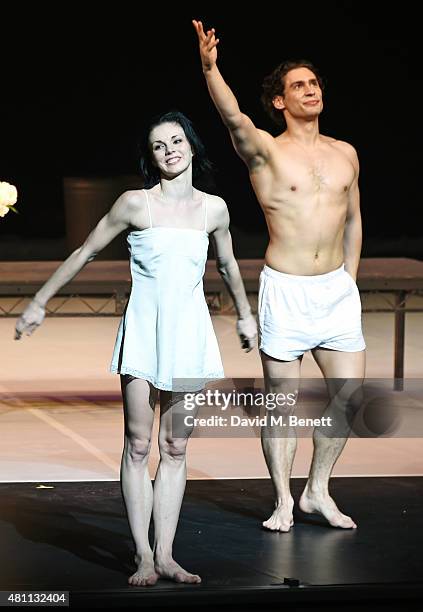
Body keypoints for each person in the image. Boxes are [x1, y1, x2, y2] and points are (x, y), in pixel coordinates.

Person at [14, 110, 257, 585]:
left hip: (190, 337)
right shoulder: (135, 204)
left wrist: (245, 314)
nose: (169, 151)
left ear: (191, 146)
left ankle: (167, 554)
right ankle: (143, 555)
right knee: (139, 443)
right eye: (158, 146)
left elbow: (228, 265)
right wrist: (39, 302)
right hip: (144, 334)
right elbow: (85, 250)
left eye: (175, 141)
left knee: (176, 445)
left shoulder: (214, 209)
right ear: (152, 157)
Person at [193, 20, 365, 532]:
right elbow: (232, 118)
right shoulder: (267, 151)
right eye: (299, 86)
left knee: (349, 396)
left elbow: (354, 218)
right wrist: (209, 67)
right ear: (280, 102)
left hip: (336, 290)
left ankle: (317, 491)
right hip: (286, 289)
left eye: (314, 83)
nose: (311, 90)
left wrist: (349, 278)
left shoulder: (345, 154)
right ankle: (284, 501)